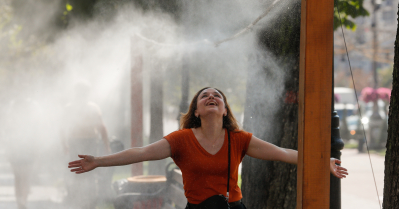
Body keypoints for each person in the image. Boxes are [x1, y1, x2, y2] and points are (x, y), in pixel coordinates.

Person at [68, 87, 348, 209]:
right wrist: (99, 160)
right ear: (197, 111)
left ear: (224, 110)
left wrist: (324, 162)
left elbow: (284, 153)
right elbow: (140, 153)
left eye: (217, 96)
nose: (211, 96)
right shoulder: (181, 140)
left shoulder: (239, 139)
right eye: (205, 96)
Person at [62, 81, 111, 209]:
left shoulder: (93, 107)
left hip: (90, 141)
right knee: (77, 171)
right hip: (75, 141)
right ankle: (77, 200)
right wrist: (64, 145)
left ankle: (90, 201)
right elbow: (62, 128)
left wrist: (107, 145)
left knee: (90, 171)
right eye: (80, 91)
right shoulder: (70, 108)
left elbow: (101, 127)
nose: (82, 94)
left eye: (84, 91)